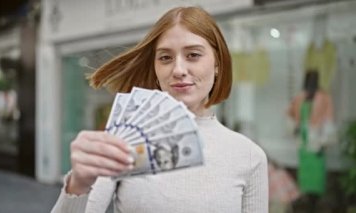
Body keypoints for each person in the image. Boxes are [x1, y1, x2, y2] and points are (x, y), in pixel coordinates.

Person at [51, 6, 268, 213]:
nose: (179, 70)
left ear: (218, 63)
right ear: (155, 68)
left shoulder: (249, 156)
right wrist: (77, 185)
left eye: (193, 55)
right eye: (165, 58)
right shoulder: (123, 142)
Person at [287, 70, 335, 212]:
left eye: (314, 80)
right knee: (305, 176)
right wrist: (294, 128)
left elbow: (328, 121)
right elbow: (291, 114)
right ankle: (307, 204)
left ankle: (316, 203)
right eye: (309, 80)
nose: (311, 84)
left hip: (317, 143)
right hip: (303, 143)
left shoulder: (324, 98)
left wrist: (324, 142)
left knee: (317, 177)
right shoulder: (299, 98)